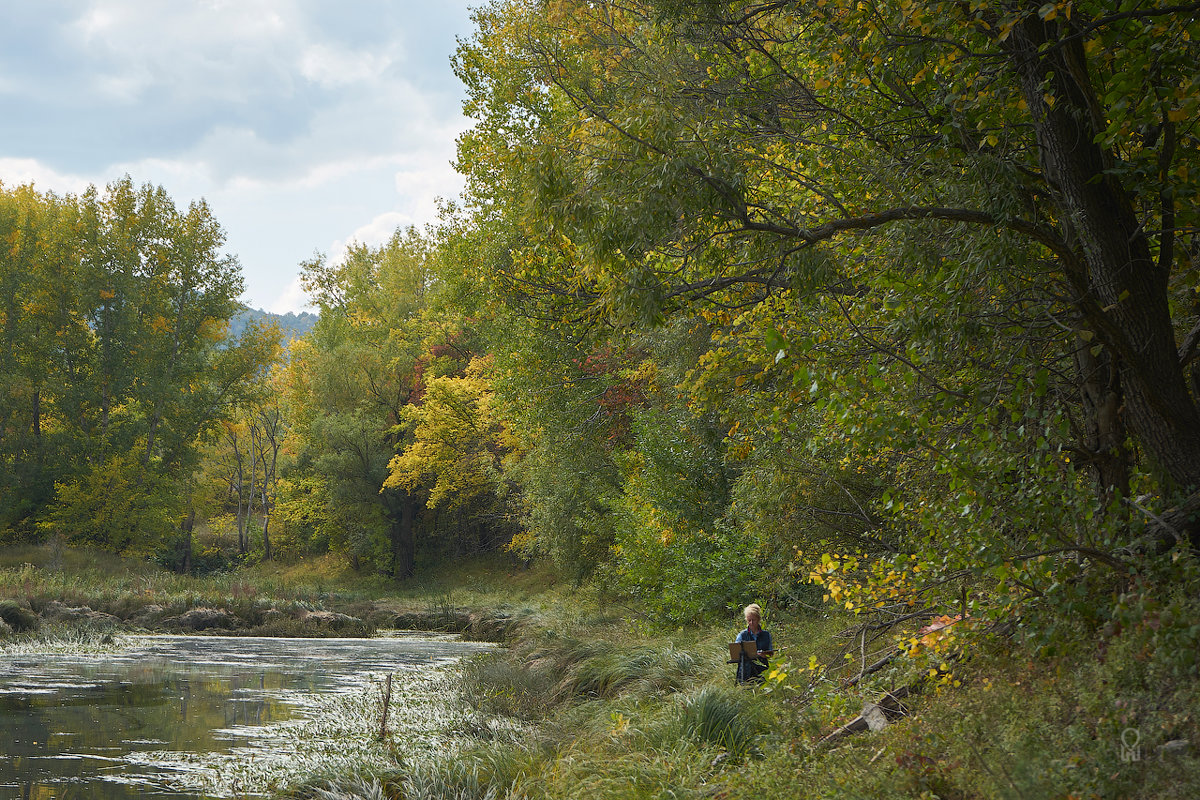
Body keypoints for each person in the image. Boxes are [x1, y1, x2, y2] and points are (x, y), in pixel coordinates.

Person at [735, 603, 775, 683]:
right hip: (745, 672)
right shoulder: (742, 635)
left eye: (754, 620)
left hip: (762, 670)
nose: (751, 622)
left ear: (758, 619)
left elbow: (771, 652)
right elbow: (735, 653)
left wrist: (764, 655)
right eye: (749, 620)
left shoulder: (766, 635)